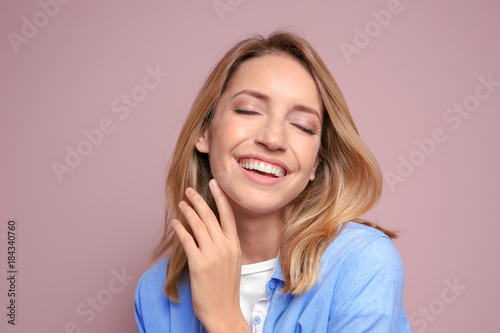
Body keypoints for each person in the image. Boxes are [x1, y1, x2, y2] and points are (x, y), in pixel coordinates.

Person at [134, 30, 411, 333]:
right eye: (248, 110)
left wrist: (224, 319)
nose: (273, 138)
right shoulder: (154, 293)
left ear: (315, 164)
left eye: (303, 126)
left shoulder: (362, 263)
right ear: (204, 132)